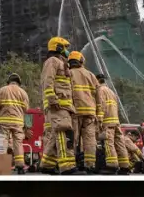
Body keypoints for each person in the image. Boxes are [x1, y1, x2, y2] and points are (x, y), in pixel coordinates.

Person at [40, 36, 77, 175]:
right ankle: (67, 167)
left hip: (64, 106)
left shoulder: (62, 64)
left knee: (56, 135)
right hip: (58, 105)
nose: (67, 51)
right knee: (63, 133)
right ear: (59, 48)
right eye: (65, 47)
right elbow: (47, 82)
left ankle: (47, 165)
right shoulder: (52, 61)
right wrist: (52, 100)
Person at [66, 51, 99, 173]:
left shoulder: (68, 74)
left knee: (72, 139)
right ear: (81, 61)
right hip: (90, 112)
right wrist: (98, 113)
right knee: (89, 140)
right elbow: (98, 96)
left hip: (75, 111)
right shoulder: (90, 75)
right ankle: (89, 165)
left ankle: (71, 164)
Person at [0, 72, 30, 175]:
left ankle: (1, 166)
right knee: (18, 143)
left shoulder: (3, 90)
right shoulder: (23, 92)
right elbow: (26, 108)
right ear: (19, 82)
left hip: (4, 121)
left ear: (8, 81)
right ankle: (20, 166)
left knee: (3, 142)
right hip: (18, 122)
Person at [94, 73, 125, 174]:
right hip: (116, 121)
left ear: (97, 80)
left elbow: (101, 105)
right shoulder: (111, 92)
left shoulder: (100, 90)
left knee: (109, 144)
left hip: (107, 122)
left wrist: (99, 120)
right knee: (120, 143)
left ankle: (111, 166)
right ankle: (124, 166)